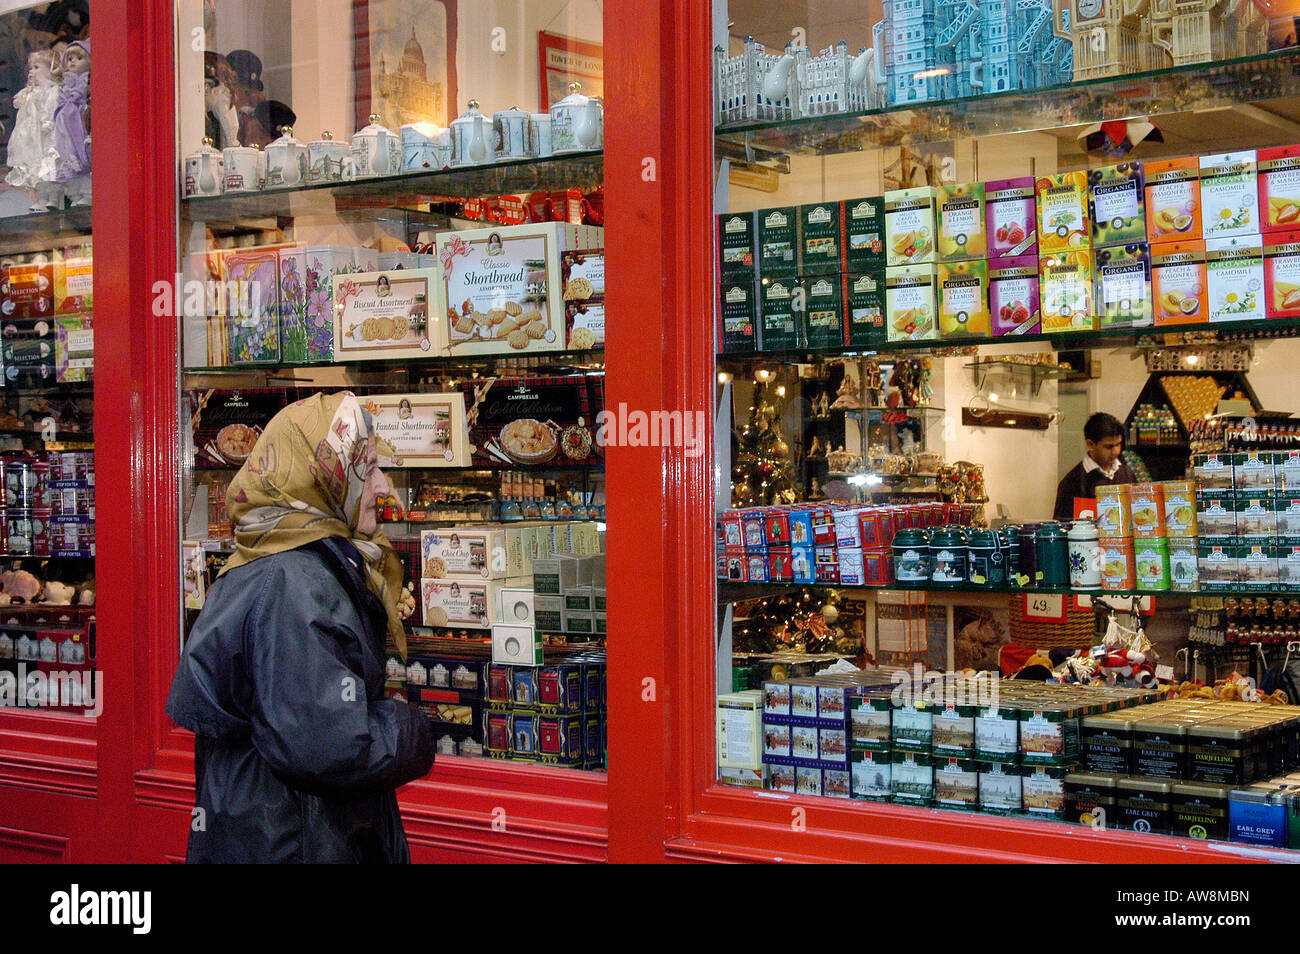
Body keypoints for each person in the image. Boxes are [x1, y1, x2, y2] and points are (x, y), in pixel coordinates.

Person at [166, 391, 435, 863]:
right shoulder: (294, 581)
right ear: (324, 477)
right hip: (292, 841)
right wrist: (412, 729)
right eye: (367, 468)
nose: (383, 486)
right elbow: (325, 745)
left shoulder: (272, 559)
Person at [1053, 411, 1139, 521]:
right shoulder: (1073, 482)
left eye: (1118, 445)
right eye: (1109, 447)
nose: (1115, 451)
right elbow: (1063, 527)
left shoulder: (1127, 474)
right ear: (1090, 444)